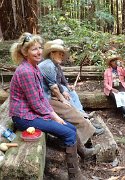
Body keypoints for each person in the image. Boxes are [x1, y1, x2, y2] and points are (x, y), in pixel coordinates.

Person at [9, 32, 86, 180]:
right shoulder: (26, 71)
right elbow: (36, 103)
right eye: (33, 49)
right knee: (69, 133)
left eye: (39, 48)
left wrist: (53, 115)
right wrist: (54, 117)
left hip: (32, 112)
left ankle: (82, 153)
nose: (38, 52)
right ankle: (75, 176)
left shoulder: (34, 68)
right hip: (24, 117)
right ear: (25, 53)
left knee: (71, 128)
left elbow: (41, 98)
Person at [38, 39, 104, 141]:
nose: (62, 56)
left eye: (62, 54)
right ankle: (89, 131)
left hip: (46, 96)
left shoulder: (52, 65)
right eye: (59, 54)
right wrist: (63, 99)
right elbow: (54, 87)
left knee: (70, 103)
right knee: (68, 109)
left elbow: (59, 82)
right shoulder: (48, 65)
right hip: (43, 99)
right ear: (52, 53)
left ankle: (88, 127)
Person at [104, 55, 125, 120]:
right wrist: (112, 89)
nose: (115, 62)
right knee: (116, 96)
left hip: (120, 86)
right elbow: (105, 84)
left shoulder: (120, 69)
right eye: (113, 61)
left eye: (115, 60)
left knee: (124, 96)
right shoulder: (107, 71)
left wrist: (123, 67)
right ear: (110, 63)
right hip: (111, 87)